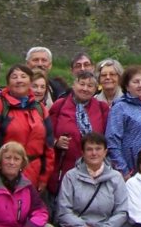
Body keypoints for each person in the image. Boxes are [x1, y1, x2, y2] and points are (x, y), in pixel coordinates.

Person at [55, 132, 129, 227]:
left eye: (98, 148)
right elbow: (63, 210)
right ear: (82, 152)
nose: (94, 153)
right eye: (89, 149)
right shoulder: (71, 176)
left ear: (105, 151)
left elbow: (122, 212)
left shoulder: (116, 178)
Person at [0, 63, 54, 191]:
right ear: (8, 83)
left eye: (23, 76)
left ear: (30, 81)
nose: (19, 80)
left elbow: (48, 146)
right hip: (4, 172)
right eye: (14, 77)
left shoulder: (40, 108)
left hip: (34, 173)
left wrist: (45, 177)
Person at [47, 69, 111, 198]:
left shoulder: (102, 108)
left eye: (90, 86)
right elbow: (47, 134)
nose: (85, 89)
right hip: (64, 168)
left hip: (93, 167)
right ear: (74, 85)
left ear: (95, 89)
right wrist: (56, 142)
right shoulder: (60, 105)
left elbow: (107, 137)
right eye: (82, 84)